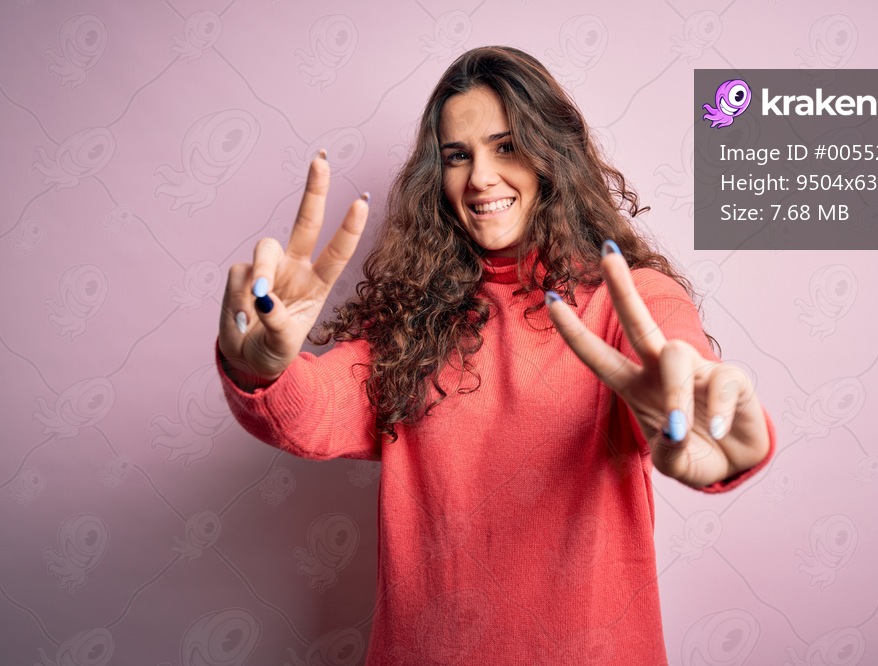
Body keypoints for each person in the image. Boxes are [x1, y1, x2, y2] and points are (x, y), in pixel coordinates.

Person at [216, 46, 774, 665]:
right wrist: (260, 367)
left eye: (505, 146)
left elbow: (681, 366)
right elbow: (312, 411)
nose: (480, 176)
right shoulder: (410, 320)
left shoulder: (630, 298)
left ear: (550, 157)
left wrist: (701, 420)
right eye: (458, 156)